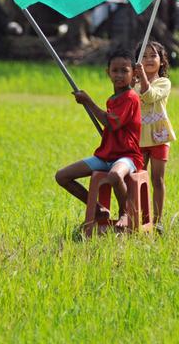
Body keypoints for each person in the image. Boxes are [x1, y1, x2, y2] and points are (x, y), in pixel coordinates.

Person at [55, 47, 144, 232]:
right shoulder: (114, 98)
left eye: (124, 71)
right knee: (62, 176)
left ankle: (125, 213)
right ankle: (98, 210)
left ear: (134, 73)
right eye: (115, 71)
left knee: (114, 175)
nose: (119, 75)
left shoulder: (131, 97)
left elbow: (112, 124)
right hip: (105, 156)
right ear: (108, 72)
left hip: (127, 156)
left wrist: (88, 101)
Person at [133, 40, 176, 225]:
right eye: (144, 56)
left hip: (159, 137)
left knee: (157, 179)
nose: (149, 59)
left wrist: (142, 75)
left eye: (153, 56)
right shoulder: (133, 84)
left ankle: (157, 221)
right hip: (139, 138)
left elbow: (149, 96)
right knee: (136, 178)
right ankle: (140, 220)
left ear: (162, 60)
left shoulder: (163, 82)